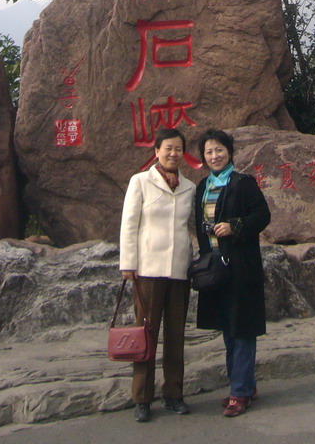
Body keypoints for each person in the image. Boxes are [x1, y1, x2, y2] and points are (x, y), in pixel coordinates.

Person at [119, 126, 196, 423]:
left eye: (178, 149)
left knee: (176, 335)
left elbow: (190, 227)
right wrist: (128, 263)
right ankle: (142, 398)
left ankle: (174, 394)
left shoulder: (189, 187)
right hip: (148, 270)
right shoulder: (140, 182)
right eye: (168, 148)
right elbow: (129, 224)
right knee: (146, 335)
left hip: (178, 270)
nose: (173, 154)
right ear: (157, 151)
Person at [194, 128, 271, 417]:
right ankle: (245, 385)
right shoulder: (202, 188)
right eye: (209, 151)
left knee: (242, 330)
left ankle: (238, 392)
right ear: (203, 156)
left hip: (241, 267)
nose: (214, 156)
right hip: (216, 268)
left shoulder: (243, 183)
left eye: (219, 150)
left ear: (230, 152)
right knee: (229, 329)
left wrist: (234, 226)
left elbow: (262, 215)